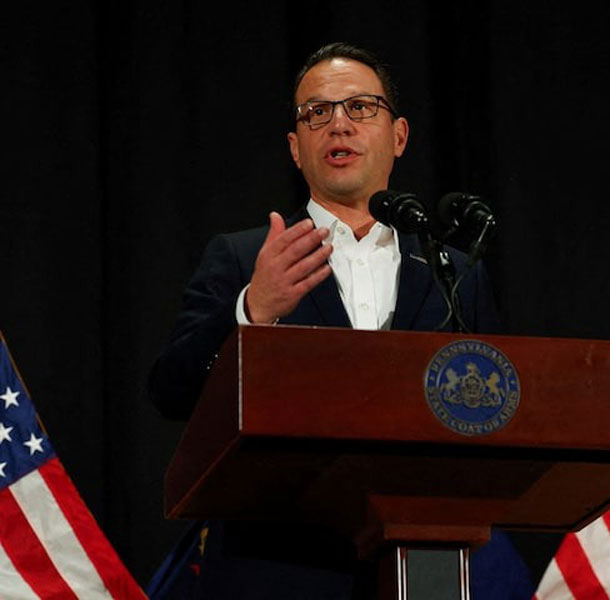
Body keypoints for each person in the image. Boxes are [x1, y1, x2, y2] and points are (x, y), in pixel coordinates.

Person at [149, 43, 527, 599]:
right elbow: (172, 392)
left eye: (360, 107)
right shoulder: (245, 258)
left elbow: (497, 419)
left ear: (398, 136)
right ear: (295, 148)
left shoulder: (454, 271)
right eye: (317, 112)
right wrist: (253, 311)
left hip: (428, 563)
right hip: (278, 565)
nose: (339, 124)